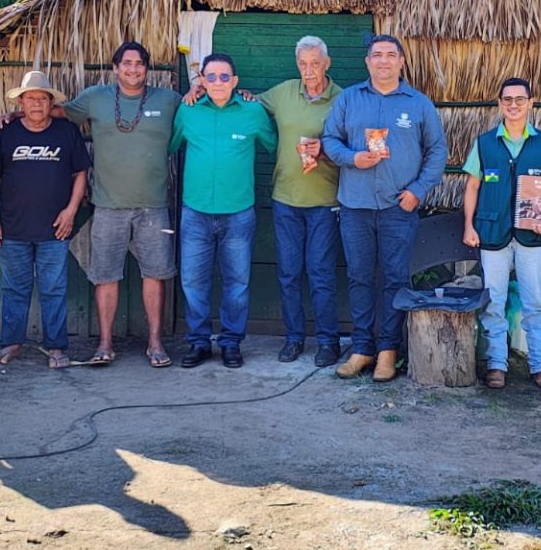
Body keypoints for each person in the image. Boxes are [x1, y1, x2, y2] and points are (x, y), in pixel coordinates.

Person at [43, 41, 181, 367]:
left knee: (156, 274)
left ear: (147, 69)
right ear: (116, 67)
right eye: (127, 63)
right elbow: (59, 112)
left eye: (140, 64)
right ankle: (104, 344)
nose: (133, 69)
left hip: (154, 205)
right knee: (105, 275)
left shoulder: (169, 100)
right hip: (107, 206)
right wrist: (18, 112)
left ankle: (156, 343)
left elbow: (200, 106)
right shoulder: (95, 98)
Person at [322, 35, 447, 382]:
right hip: (355, 206)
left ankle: (388, 352)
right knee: (359, 277)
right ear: (367, 62)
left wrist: (418, 191)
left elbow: (437, 151)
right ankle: (362, 348)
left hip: (399, 207)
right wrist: (352, 158)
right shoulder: (349, 99)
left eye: (391, 55)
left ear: (401, 62)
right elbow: (330, 140)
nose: (383, 61)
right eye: (377, 55)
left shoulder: (419, 104)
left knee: (395, 279)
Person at [169, 54, 277, 368]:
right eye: (211, 76)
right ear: (201, 79)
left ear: (236, 81)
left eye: (224, 76)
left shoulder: (253, 111)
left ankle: (231, 342)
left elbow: (275, 147)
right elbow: (170, 146)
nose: (218, 82)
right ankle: (199, 342)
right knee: (193, 282)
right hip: (195, 212)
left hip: (238, 213)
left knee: (237, 283)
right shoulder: (187, 112)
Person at [0, 71, 90, 369]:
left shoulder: (66, 133)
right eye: (31, 98)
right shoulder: (6, 134)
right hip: (13, 228)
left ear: (51, 102)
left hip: (55, 228)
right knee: (14, 288)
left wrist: (70, 210)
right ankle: (11, 342)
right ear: (21, 103)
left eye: (43, 98)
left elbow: (81, 173)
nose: (37, 104)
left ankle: (56, 348)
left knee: (54, 288)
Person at [461, 77, 541, 391]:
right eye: (507, 99)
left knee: (534, 301)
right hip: (492, 233)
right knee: (494, 301)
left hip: (531, 236)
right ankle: (496, 364)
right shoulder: (484, 142)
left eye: (520, 99)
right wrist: (468, 225)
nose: (513, 105)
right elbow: (472, 186)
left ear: (531, 103)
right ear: (499, 104)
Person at [259, 37, 346, 366]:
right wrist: (200, 90)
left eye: (315, 63)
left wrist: (325, 150)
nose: (309, 70)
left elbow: (356, 146)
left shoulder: (342, 99)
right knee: (288, 273)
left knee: (322, 273)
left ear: (327, 62)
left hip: (326, 201)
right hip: (285, 199)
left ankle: (327, 342)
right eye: (303, 63)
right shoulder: (283, 93)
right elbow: (247, 103)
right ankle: (294, 338)